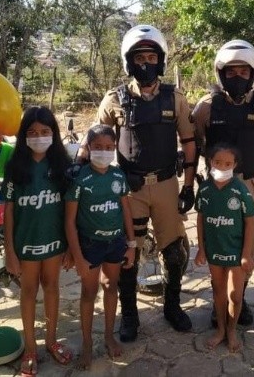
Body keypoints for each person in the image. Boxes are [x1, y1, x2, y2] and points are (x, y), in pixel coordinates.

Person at [78, 24, 197, 341]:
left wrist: (188, 186)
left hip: (166, 184)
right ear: (128, 61)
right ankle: (130, 315)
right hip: (129, 189)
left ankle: (172, 306)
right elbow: (93, 139)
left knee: (174, 251)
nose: (146, 63)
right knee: (129, 251)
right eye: (139, 58)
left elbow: (189, 143)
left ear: (161, 60)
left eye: (151, 57)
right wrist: (77, 166)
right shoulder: (114, 99)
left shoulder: (175, 98)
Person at [192, 39, 254, 325]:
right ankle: (218, 303)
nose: (237, 77)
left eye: (243, 72)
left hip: (251, 185)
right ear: (221, 74)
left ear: (253, 73)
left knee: (248, 241)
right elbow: (195, 141)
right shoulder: (207, 107)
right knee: (218, 240)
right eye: (230, 72)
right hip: (218, 187)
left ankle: (240, 298)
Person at [3, 106, 73, 376]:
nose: (39, 137)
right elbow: (9, 210)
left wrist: (70, 247)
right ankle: (30, 348)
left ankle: (52, 341)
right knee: (29, 292)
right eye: (32, 132)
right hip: (26, 244)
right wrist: (10, 251)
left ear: (54, 133)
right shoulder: (15, 167)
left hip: (54, 242)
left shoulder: (63, 166)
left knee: (52, 287)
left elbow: (70, 210)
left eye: (45, 131)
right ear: (23, 136)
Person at [65, 124, 136, 368]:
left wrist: (131, 244)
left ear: (115, 148)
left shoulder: (118, 176)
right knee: (89, 292)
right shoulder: (80, 178)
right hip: (89, 245)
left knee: (111, 286)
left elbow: (125, 210)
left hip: (115, 243)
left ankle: (108, 336)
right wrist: (77, 256)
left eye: (109, 147)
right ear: (89, 147)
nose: (103, 152)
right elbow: (69, 221)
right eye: (98, 147)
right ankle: (86, 344)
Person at [194, 143, 254, 352]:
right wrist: (201, 248)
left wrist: (246, 254)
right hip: (214, 251)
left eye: (228, 164)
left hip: (235, 252)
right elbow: (200, 219)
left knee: (235, 296)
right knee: (218, 292)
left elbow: (251, 221)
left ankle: (232, 330)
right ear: (210, 162)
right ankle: (221, 329)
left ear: (235, 165)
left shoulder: (240, 190)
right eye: (218, 162)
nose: (222, 167)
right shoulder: (204, 189)